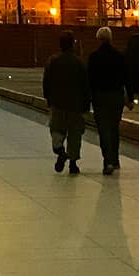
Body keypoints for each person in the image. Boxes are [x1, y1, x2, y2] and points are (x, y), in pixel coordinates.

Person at [42, 31, 90, 175]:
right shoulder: (79, 62)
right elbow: (85, 85)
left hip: (57, 103)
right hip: (76, 105)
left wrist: (48, 98)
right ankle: (73, 164)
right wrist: (86, 103)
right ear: (72, 45)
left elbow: (47, 82)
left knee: (56, 130)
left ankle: (60, 150)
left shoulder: (52, 61)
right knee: (75, 134)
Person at [87, 26, 129, 175]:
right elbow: (126, 78)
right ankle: (115, 159)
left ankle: (108, 161)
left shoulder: (94, 57)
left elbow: (90, 80)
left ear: (98, 39)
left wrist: (88, 99)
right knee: (114, 128)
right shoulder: (119, 56)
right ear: (111, 38)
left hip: (100, 97)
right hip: (116, 96)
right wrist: (129, 97)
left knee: (103, 130)